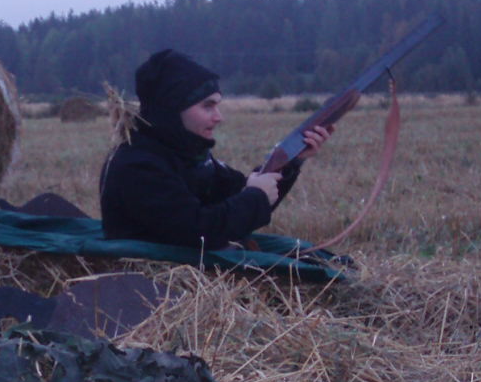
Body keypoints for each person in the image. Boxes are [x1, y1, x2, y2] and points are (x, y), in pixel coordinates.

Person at [98, 49, 330, 248]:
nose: (219, 117)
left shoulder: (187, 155)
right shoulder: (136, 165)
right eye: (207, 106)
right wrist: (255, 197)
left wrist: (290, 161)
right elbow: (198, 232)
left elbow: (238, 202)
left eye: (217, 105)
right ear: (172, 109)